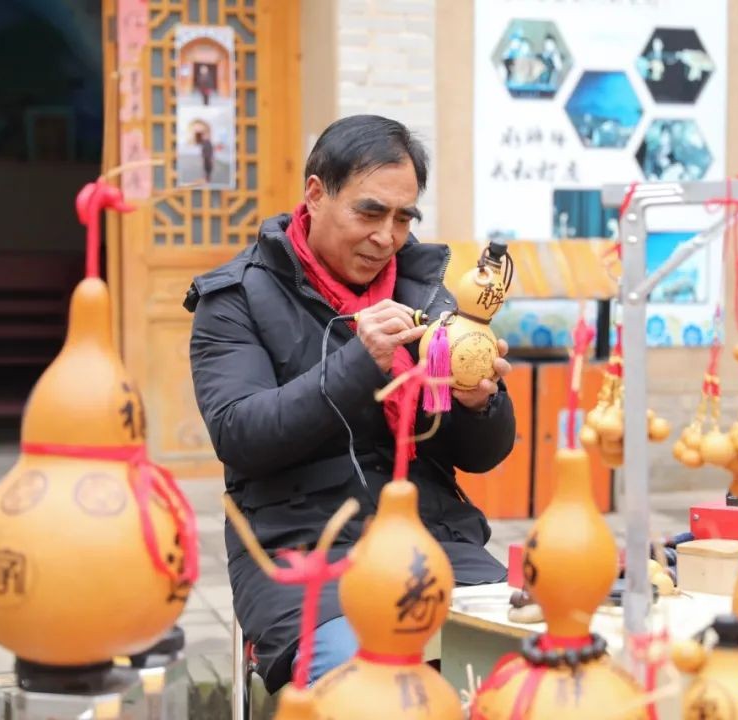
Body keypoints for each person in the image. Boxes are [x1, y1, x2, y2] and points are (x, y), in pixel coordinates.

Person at [184, 114, 515, 696]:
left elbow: (480, 458)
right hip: (305, 558)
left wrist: (477, 403)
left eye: (403, 217)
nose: (387, 237)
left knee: (526, 677)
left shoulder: (424, 290)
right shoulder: (233, 297)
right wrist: (359, 364)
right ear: (316, 194)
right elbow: (240, 434)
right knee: (378, 696)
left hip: (433, 544)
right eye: (370, 212)